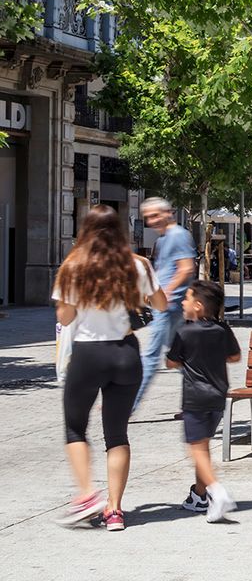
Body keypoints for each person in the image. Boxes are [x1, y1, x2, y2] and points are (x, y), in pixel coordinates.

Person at [54, 205, 167, 530]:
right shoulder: (138, 264)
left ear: (85, 230)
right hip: (125, 353)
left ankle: (87, 495)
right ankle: (115, 511)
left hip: (89, 354)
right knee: (117, 433)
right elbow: (160, 304)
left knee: (75, 428)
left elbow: (65, 318)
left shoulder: (73, 265)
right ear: (120, 230)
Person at [165, 279, 242, 521]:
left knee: (196, 449)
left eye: (186, 298)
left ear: (198, 306)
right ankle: (199, 496)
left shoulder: (184, 332)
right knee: (203, 446)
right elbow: (235, 357)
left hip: (195, 398)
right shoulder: (223, 329)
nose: (183, 303)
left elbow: (171, 362)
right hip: (218, 396)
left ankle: (217, 492)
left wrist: (188, 360)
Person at [137, 197, 197, 411]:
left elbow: (186, 268)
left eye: (155, 215)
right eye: (148, 217)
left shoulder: (178, 235)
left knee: (151, 356)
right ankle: (203, 396)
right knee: (178, 356)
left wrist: (168, 292)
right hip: (165, 304)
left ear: (168, 213)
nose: (152, 221)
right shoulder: (163, 239)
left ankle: (127, 406)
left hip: (168, 306)